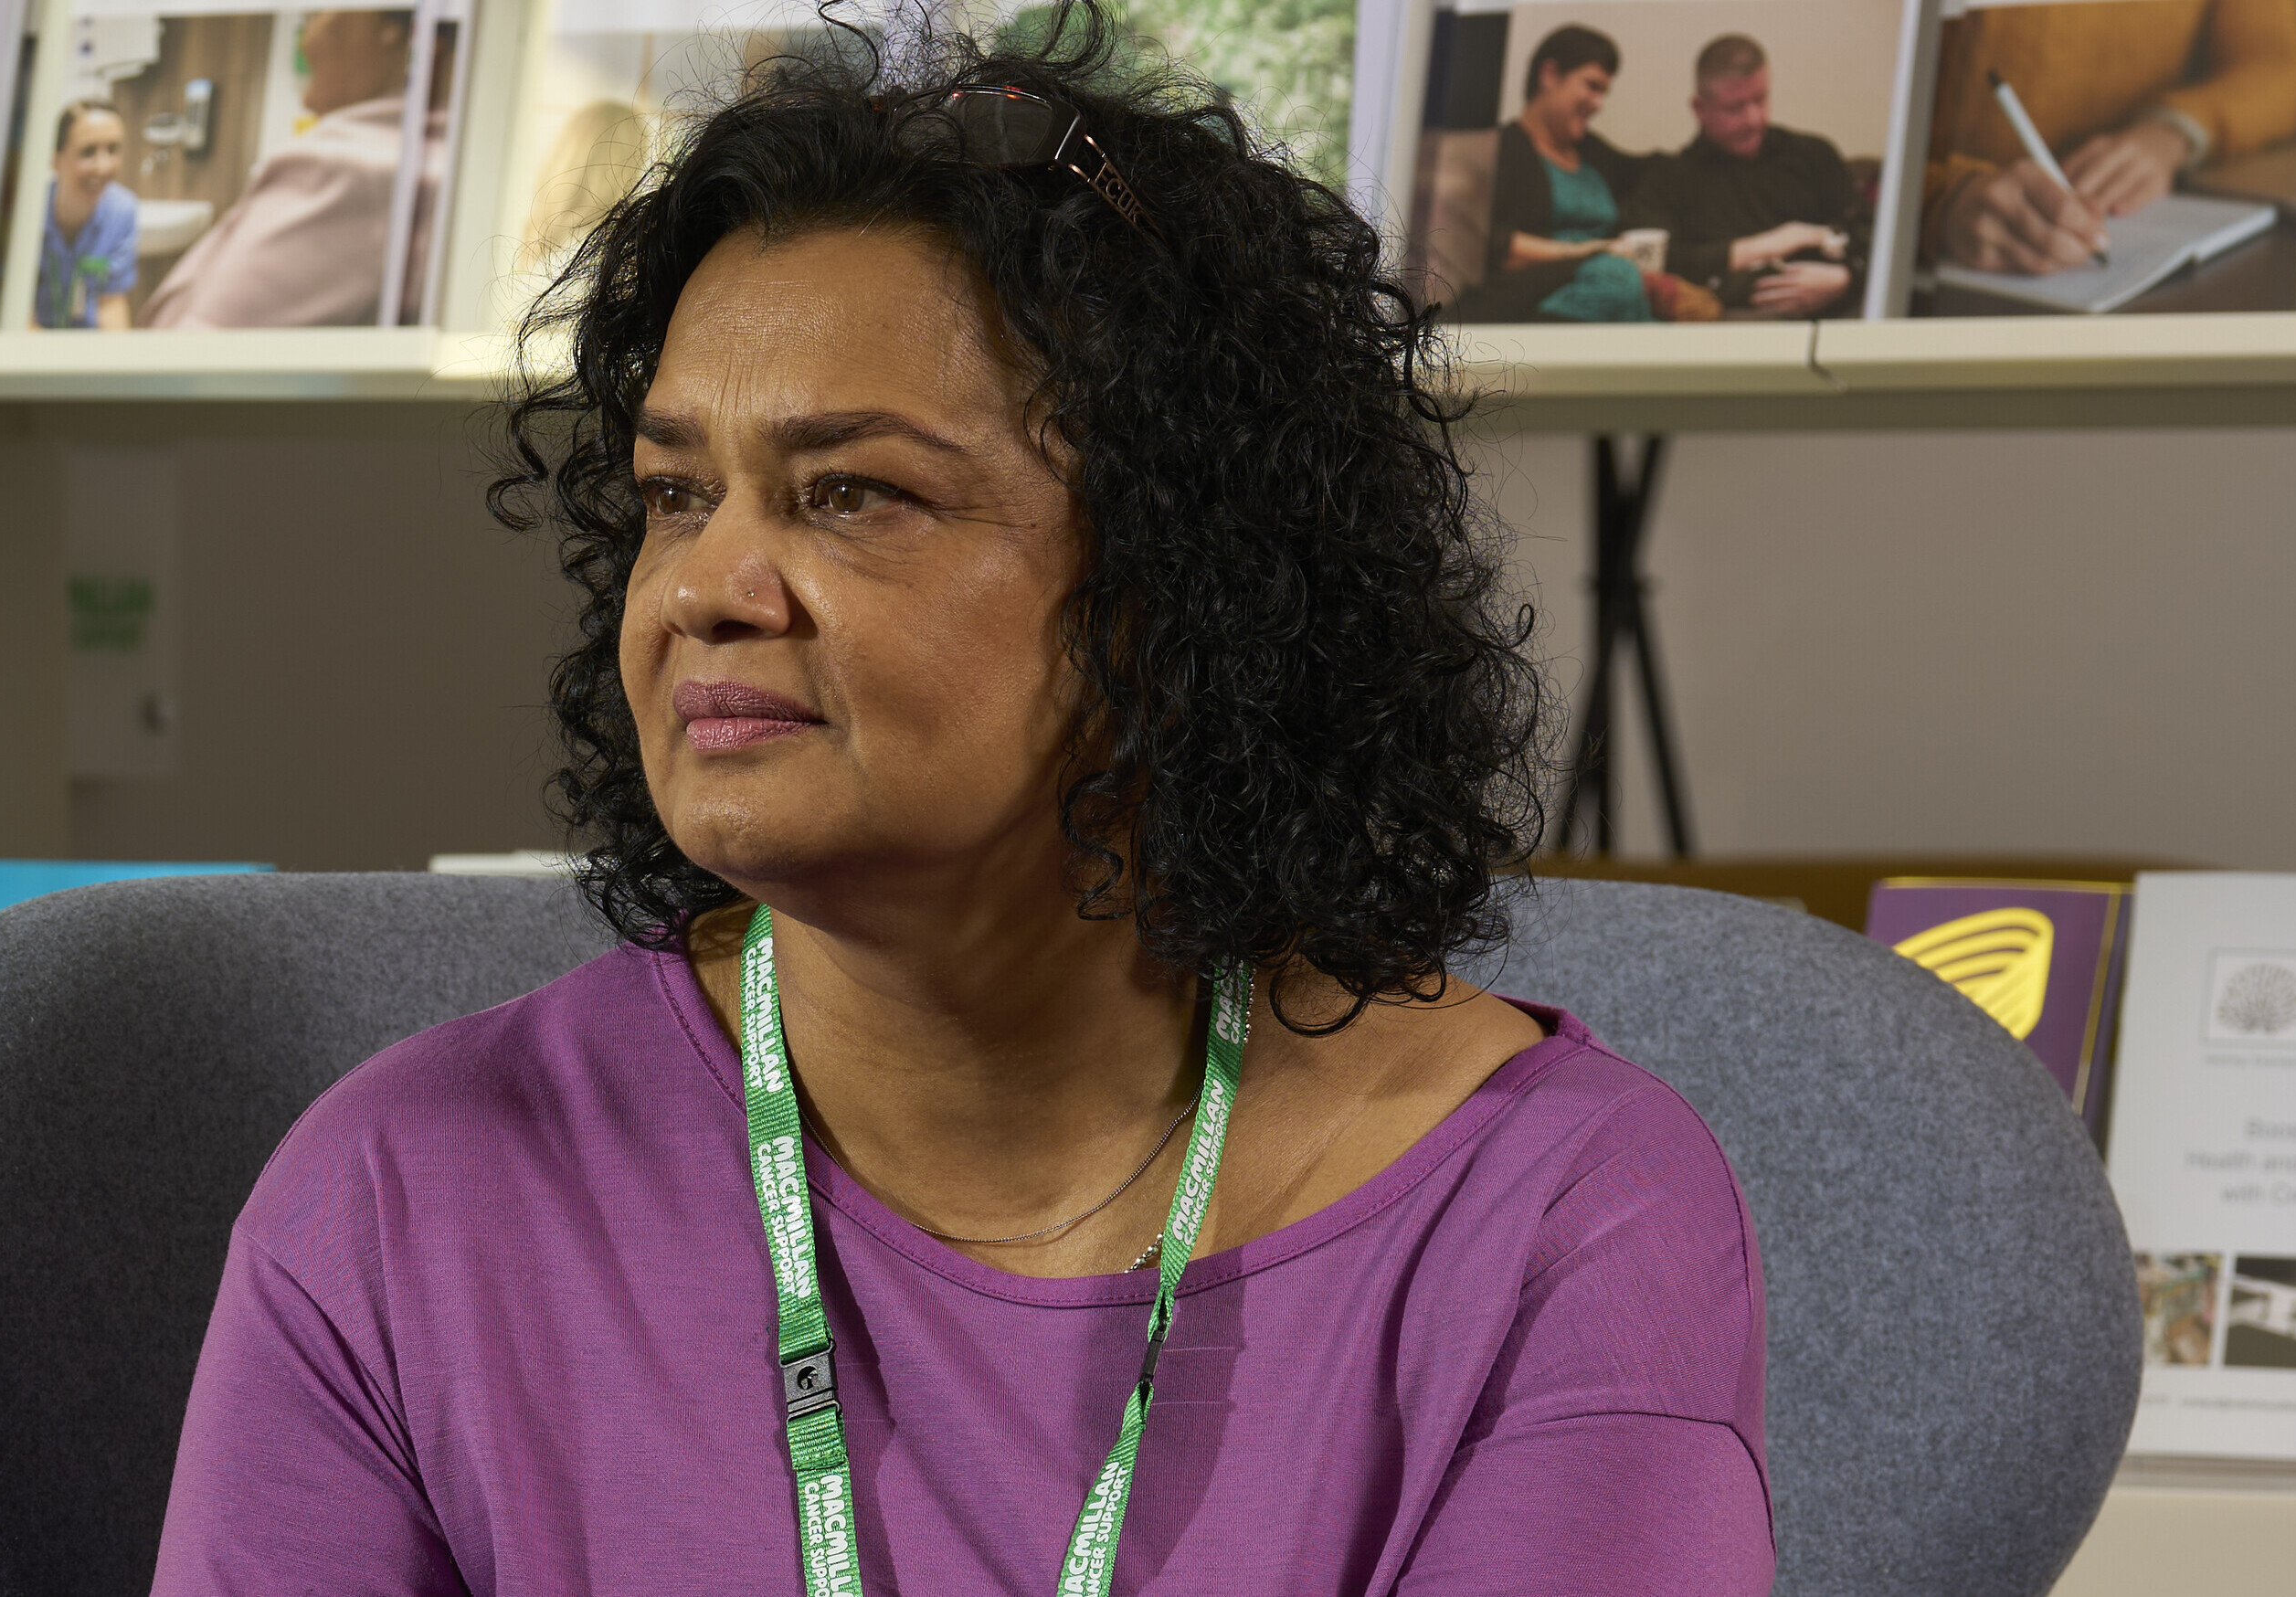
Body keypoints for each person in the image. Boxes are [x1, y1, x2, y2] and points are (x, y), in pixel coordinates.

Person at [156, 37, 1767, 1594]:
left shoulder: (1557, 1211)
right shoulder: (400, 1194)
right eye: (674, 493)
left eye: (853, 492)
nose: (709, 587)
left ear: (1174, 581)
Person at [1920, 0, 2296, 277]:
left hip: (2123, 227)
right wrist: (1942, 197)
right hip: (1941, 266)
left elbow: (2278, 66)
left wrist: (2172, 132)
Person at [146, 9, 425, 327]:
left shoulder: (341, 169)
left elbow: (196, 345)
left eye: (318, 15)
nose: (307, 40)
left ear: (391, 30)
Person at [1645, 33, 1864, 320]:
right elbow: (1658, 262)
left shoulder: (1813, 155)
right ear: (1700, 108)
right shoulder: (1670, 178)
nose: (1754, 119)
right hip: (1733, 332)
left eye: (1760, 99)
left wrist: (1846, 279)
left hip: (1837, 318)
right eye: (1735, 108)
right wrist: (1775, 243)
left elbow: (1873, 237)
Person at [1463, 25, 1672, 323]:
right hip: (1538, 293)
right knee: (1619, 280)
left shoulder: (1593, 152)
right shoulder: (1503, 149)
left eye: (1604, 92)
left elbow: (1654, 170)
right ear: (1549, 75)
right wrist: (1583, 251)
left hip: (1608, 277)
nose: (1599, 104)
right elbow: (1492, 244)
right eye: (1592, 86)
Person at [31, 100, 142, 328]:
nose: (103, 166)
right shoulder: (30, 212)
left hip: (88, 348)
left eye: (113, 150)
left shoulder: (122, 211)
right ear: (56, 159)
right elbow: (16, 308)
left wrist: (120, 359)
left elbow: (111, 301)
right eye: (88, 152)